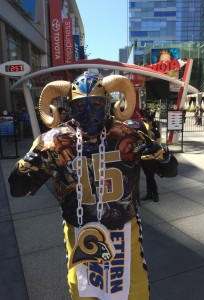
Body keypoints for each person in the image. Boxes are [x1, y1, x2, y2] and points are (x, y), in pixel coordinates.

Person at [8, 72, 176, 300]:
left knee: (133, 292)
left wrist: (163, 157)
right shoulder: (54, 141)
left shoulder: (129, 134)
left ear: (108, 104)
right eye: (80, 106)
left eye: (96, 103)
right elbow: (18, 189)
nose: (89, 113)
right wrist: (23, 167)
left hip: (123, 231)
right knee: (83, 293)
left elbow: (169, 170)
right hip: (79, 233)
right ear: (70, 108)